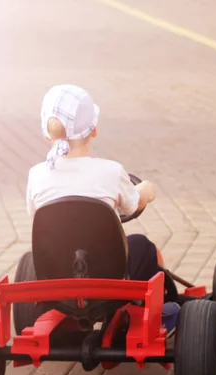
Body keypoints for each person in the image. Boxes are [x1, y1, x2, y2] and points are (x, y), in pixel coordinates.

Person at [25, 84, 180, 337]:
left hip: (58, 272)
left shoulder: (37, 175)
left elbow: (38, 218)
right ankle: (156, 313)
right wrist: (145, 191)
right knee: (143, 246)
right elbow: (132, 204)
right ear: (93, 130)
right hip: (111, 278)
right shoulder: (110, 172)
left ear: (46, 134)